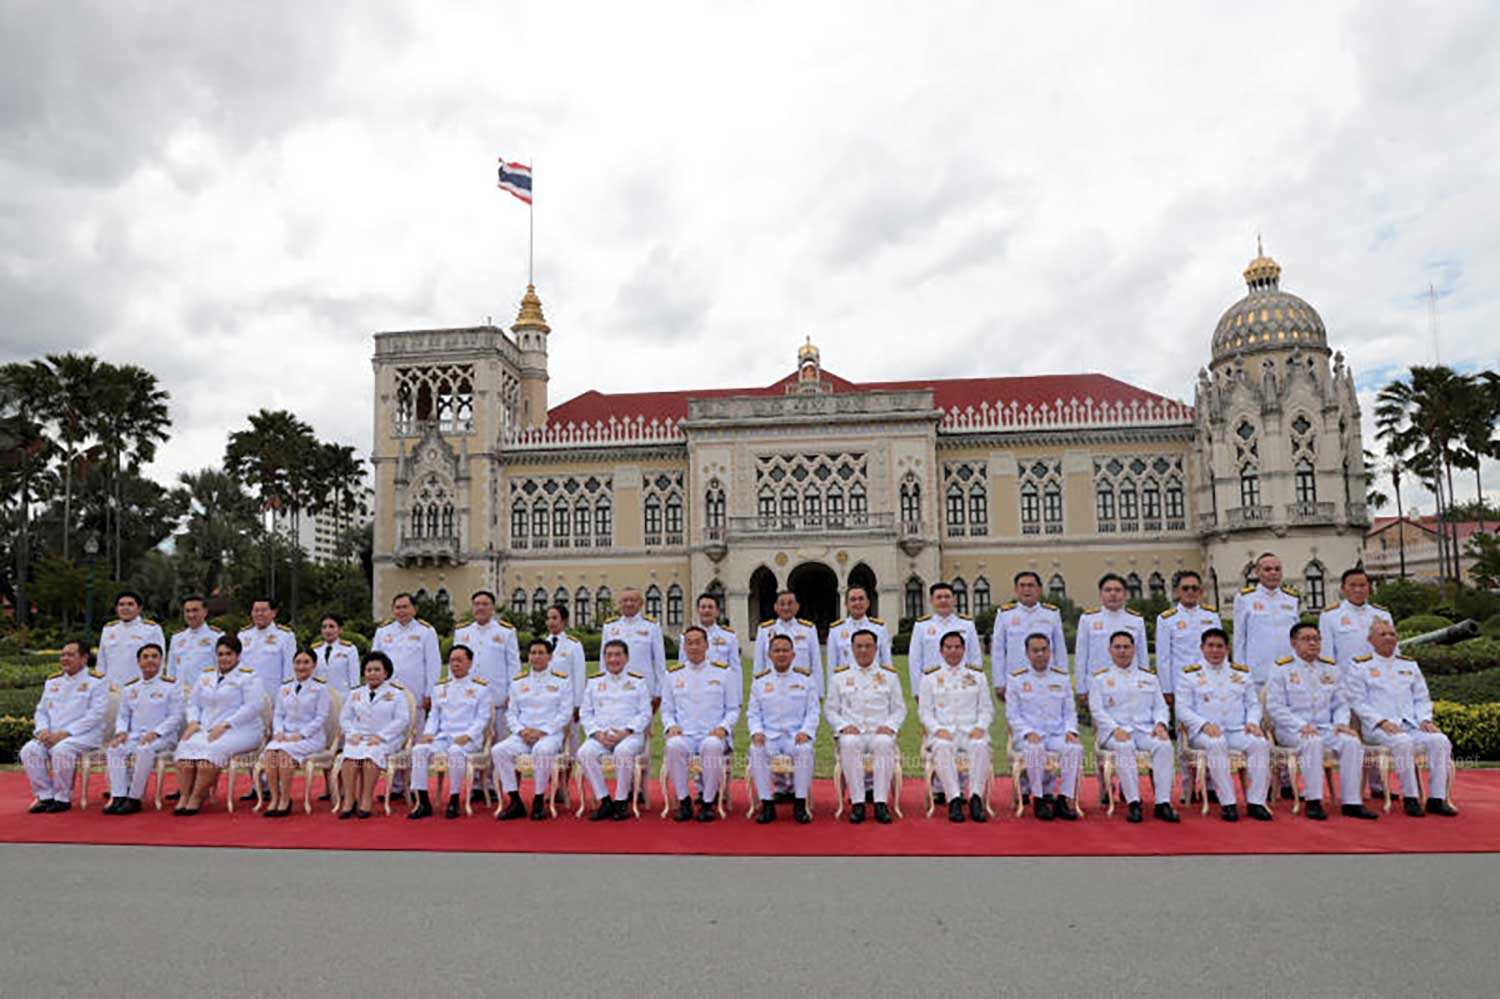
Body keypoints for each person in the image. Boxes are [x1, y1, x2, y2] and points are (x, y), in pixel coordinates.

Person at [1345, 619, 1458, 817]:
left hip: (1411, 725)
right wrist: (1381, 721)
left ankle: (1436, 799)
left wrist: (1425, 720)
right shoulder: (1360, 666)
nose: (1389, 638)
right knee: (1402, 742)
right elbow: (1357, 702)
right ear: (1371, 640)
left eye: (1392, 634)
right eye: (1383, 634)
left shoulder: (1408, 665)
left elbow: (1422, 697)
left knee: (1440, 741)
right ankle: (1410, 797)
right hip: (1378, 728)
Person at [1264, 623, 1376, 821]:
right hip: (1291, 729)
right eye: (1306, 639)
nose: (1313, 643)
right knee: (1312, 742)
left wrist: (1341, 723)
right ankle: (1313, 800)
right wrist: (1300, 726)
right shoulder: (1281, 669)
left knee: (1351, 742)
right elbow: (1275, 707)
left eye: (1316, 639)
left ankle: (1352, 802)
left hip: (1326, 727)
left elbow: (1341, 703)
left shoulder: (1330, 668)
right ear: (1293, 643)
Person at [1175, 628, 1273, 822]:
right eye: (1210, 646)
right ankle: (1228, 802)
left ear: (1227, 649)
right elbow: (1182, 709)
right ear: (1202, 648)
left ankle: (1256, 802)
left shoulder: (1241, 674)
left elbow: (1253, 704)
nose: (1215, 650)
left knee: (1259, 743)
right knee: (1216, 742)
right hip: (1203, 733)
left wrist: (1253, 723)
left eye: (1219, 646)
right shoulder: (1190, 675)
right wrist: (1203, 725)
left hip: (1237, 730)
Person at [1088, 631, 1180, 823]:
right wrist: (1114, 729)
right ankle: (1133, 803)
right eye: (1118, 647)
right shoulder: (1100, 679)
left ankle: (1162, 803)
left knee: (1164, 746)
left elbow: (1160, 706)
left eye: (1126, 647)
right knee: (1124, 747)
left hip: (1144, 730)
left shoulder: (1148, 678)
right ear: (1110, 650)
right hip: (1115, 733)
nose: (1122, 651)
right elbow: (1097, 711)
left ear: (1134, 649)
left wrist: (1161, 725)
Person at [173, 634, 267, 816]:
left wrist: (226, 725)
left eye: (228, 654)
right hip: (207, 728)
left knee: (210, 753)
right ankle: (184, 796)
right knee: (185, 748)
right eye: (220, 654)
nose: (224, 658)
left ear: (238, 655)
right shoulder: (206, 675)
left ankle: (196, 796)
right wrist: (193, 722)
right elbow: (193, 703)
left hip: (242, 730)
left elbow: (253, 707)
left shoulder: (249, 677)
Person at [825, 630, 905, 824]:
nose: (863, 650)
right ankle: (858, 803)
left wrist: (890, 726)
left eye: (868, 646)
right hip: (854, 732)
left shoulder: (889, 676)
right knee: (849, 742)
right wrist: (843, 726)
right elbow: (830, 710)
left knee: (885, 742)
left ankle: (880, 803)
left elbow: (899, 709)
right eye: (859, 646)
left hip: (879, 731)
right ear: (851, 649)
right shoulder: (840, 677)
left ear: (876, 649)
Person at [662, 626, 740, 822]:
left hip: (711, 734)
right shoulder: (673, 675)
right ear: (684, 646)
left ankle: (707, 803)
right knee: (673, 746)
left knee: (712, 746)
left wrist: (723, 727)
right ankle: (684, 801)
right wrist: (671, 725)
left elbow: (733, 709)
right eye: (689, 643)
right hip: (685, 734)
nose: (694, 647)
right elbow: (667, 710)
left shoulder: (723, 673)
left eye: (698, 642)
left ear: (707, 645)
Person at [21, 640, 109, 813]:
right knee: (29, 750)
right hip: (52, 735)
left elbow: (95, 715)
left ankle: (62, 797)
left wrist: (66, 733)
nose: (64, 658)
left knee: (61, 750)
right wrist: (43, 730)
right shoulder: (53, 682)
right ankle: (45, 796)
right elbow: (41, 711)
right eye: (63, 655)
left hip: (84, 736)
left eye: (70, 655)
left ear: (84, 659)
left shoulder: (96, 682)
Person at [409, 644, 493, 820]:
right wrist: (429, 733)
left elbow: (482, 718)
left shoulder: (480, 688)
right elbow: (434, 715)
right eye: (452, 660)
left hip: (468, 738)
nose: (455, 664)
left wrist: (468, 735)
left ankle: (454, 799)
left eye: (460, 660)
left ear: (470, 663)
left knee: (455, 752)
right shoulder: (441, 688)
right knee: (419, 750)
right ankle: (423, 801)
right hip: (443, 737)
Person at [492, 638, 573, 821]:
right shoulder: (518, 682)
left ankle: (538, 799)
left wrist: (542, 731)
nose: (536, 657)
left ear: (550, 656)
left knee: (541, 750)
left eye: (541, 653)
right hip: (523, 734)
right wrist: (521, 731)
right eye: (533, 653)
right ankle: (514, 800)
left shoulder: (562, 681)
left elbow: (564, 714)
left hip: (549, 735)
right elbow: (511, 714)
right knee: (499, 750)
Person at [1005, 633, 1082, 821]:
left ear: (1050, 651)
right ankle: (1039, 798)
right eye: (1035, 650)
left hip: (1056, 734)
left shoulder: (1061, 678)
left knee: (1075, 748)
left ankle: (1063, 799)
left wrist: (1070, 731)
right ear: (1028, 653)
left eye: (1044, 650)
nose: (1040, 654)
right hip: (1029, 736)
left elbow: (1070, 712)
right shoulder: (1017, 680)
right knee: (1034, 748)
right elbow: (1012, 715)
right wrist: (1027, 732)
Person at [918, 631, 994, 823]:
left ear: (964, 649)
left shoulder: (977, 676)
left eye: (957, 647)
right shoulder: (930, 677)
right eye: (948, 647)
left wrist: (980, 727)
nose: (953, 651)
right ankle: (953, 799)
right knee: (942, 746)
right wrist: (936, 729)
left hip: (970, 731)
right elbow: (925, 712)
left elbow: (986, 709)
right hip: (943, 732)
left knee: (980, 745)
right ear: (941, 651)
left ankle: (976, 797)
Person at [747, 634, 819, 824]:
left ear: (793, 654)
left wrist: (806, 732)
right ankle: (767, 803)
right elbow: (753, 713)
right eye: (777, 650)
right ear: (769, 655)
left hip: (795, 737)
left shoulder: (805, 679)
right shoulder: (760, 681)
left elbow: (813, 711)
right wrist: (757, 732)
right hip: (769, 736)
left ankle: (800, 802)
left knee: (804, 750)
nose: (781, 654)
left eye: (785, 650)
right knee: (756, 749)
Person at [103, 643, 183, 815]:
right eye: (145, 657)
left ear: (161, 661)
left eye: (154, 656)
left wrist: (156, 733)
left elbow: (175, 717)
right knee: (114, 748)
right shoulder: (131, 687)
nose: (150, 661)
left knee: (144, 750)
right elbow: (123, 715)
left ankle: (135, 797)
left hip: (163, 737)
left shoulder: (171, 686)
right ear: (138, 662)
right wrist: (121, 732)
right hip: (136, 735)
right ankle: (118, 795)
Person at [577, 639, 652, 820]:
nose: (613, 659)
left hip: (629, 736)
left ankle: (621, 802)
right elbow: (585, 713)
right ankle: (604, 800)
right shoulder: (594, 682)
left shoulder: (638, 682)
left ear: (626, 658)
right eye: (609, 655)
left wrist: (626, 731)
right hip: (601, 736)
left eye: (618, 655)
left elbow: (645, 713)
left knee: (623, 751)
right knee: (584, 752)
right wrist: (597, 733)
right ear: (604, 658)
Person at [259, 648, 333, 817]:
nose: (301, 666)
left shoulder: (320, 689)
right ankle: (274, 798)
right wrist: (278, 731)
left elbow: (321, 717)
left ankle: (285, 800)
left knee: (284, 754)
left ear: (313, 665)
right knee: (271, 753)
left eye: (306, 662)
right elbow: (278, 714)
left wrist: (302, 734)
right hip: (285, 735)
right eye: (298, 662)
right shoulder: (285, 688)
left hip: (310, 738)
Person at [337, 651, 412, 819]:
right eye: (369, 670)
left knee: (371, 755)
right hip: (359, 737)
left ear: (386, 673)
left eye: (377, 669)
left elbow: (402, 720)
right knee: (349, 757)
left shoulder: (396, 694)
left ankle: (366, 800)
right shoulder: (355, 693)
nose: (372, 673)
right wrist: (352, 733)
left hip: (386, 739)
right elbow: (345, 717)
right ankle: (349, 800)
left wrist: (381, 736)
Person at [235, 597, 296, 800]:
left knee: (273, 742)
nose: (259, 614)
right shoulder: (243, 636)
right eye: (255, 610)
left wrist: (285, 698)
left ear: (274, 612)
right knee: (251, 741)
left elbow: (289, 670)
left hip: (274, 697)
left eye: (263, 610)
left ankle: (272, 786)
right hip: (248, 699)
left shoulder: (285, 636)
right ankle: (255, 785)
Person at [990, 572, 1066, 703]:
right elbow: (998, 651)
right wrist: (999, 682)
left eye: (1031, 585)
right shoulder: (1005, 615)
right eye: (1022, 586)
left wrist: (1062, 678)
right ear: (1016, 589)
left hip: (1047, 678)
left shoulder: (1051, 614)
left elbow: (1060, 649)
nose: (1026, 590)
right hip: (1016, 678)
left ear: (1040, 589)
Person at [1233, 553, 1301, 690]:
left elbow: (1297, 637)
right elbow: (1239, 639)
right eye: (1267, 569)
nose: (1273, 573)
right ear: (1257, 572)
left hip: (1288, 671)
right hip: (1258, 673)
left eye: (1277, 569)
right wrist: (1240, 672)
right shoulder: (1245, 599)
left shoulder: (1291, 599)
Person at [1074, 575, 1147, 702]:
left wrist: (1145, 683)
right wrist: (1081, 688)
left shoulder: (1136, 620)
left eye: (1118, 590)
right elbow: (1081, 656)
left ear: (1125, 594)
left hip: (1130, 684)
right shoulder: (1088, 619)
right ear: (1100, 594)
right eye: (1108, 590)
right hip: (1097, 684)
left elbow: (1142, 656)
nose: (1113, 594)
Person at [1153, 570, 1220, 704]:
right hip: (1181, 683)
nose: (1190, 592)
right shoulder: (1166, 619)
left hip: (1210, 680)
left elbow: (1220, 650)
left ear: (1201, 591)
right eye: (1185, 588)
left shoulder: (1211, 616)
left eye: (1194, 588)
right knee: (1185, 723)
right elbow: (1163, 658)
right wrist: (1166, 689)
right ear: (1177, 591)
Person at [907, 582, 983, 701]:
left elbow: (975, 657)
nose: (943, 600)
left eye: (947, 597)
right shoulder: (922, 626)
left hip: (962, 685)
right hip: (933, 685)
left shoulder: (967, 625)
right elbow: (915, 660)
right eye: (939, 597)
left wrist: (975, 685)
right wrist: (917, 690)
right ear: (931, 600)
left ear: (954, 600)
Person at [373, 593, 442, 719]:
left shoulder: (426, 631)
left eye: (405, 607)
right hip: (387, 691)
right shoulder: (383, 631)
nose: (401, 611)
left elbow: (433, 665)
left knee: (415, 732)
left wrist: (430, 693)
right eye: (397, 608)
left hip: (415, 692)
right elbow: (374, 663)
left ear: (414, 609)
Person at [453, 590, 519, 719]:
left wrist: (513, 693)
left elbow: (513, 665)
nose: (480, 608)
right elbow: (455, 664)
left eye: (485, 604)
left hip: (496, 697)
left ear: (493, 608)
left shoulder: (506, 632)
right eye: (477, 604)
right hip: (468, 697)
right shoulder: (462, 632)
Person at [1318, 569, 1394, 679]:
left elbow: (1392, 648)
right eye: (1352, 586)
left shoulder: (1382, 615)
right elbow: (1326, 654)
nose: (1358, 590)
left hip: (1379, 678)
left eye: (1362, 585)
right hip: (1347, 680)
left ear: (1369, 588)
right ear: (1343, 589)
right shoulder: (1330, 616)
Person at [601, 587, 667, 703]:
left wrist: (659, 691)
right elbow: (603, 660)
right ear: (620, 604)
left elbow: (659, 662)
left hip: (644, 688)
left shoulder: (651, 627)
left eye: (633, 600)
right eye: (625, 600)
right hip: (615, 687)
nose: (629, 603)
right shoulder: (610, 627)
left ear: (641, 603)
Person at [753, 590, 823, 697]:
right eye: (782, 604)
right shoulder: (764, 630)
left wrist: (818, 693)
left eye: (790, 603)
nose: (786, 608)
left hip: (801, 689)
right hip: (772, 689)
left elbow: (816, 663)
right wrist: (756, 691)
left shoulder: (808, 629)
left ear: (797, 606)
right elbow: (759, 664)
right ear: (775, 607)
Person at [826, 586, 893, 692]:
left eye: (861, 599)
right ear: (846, 604)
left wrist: (887, 688)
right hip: (847, 687)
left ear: (867, 603)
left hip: (873, 686)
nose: (857, 603)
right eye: (853, 599)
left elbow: (887, 662)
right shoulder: (836, 631)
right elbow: (832, 666)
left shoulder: (879, 629)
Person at [95, 591, 166, 688]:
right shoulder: (108, 629)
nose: (125, 608)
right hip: (111, 688)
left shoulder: (151, 629)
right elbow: (101, 662)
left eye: (130, 604)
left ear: (139, 608)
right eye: (121, 605)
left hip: (139, 688)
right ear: (116, 608)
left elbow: (158, 662)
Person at [685, 591, 743, 688]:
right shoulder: (686, 637)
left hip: (720, 687)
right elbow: (683, 666)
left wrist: (737, 698)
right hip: (695, 687)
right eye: (703, 607)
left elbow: (735, 669)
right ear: (698, 610)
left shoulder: (729, 637)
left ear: (717, 611)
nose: (706, 611)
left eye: (710, 607)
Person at [167, 595, 221, 683]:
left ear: (205, 612)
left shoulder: (216, 637)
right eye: (187, 611)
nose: (191, 615)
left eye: (195, 610)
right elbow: (171, 670)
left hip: (205, 692)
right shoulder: (176, 638)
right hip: (180, 693)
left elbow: (221, 668)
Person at [311, 614, 362, 689]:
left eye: (331, 626)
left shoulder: (350, 649)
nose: (327, 630)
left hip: (342, 696)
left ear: (340, 629)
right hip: (320, 696)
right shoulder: (315, 650)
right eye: (324, 627)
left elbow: (354, 678)